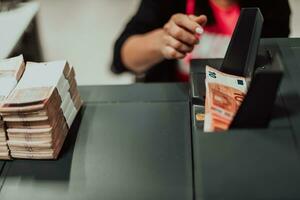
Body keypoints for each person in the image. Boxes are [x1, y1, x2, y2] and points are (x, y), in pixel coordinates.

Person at [112, 0, 291, 82]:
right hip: (176, 99)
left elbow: (273, 65)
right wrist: (163, 41)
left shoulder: (274, 6)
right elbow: (122, 57)